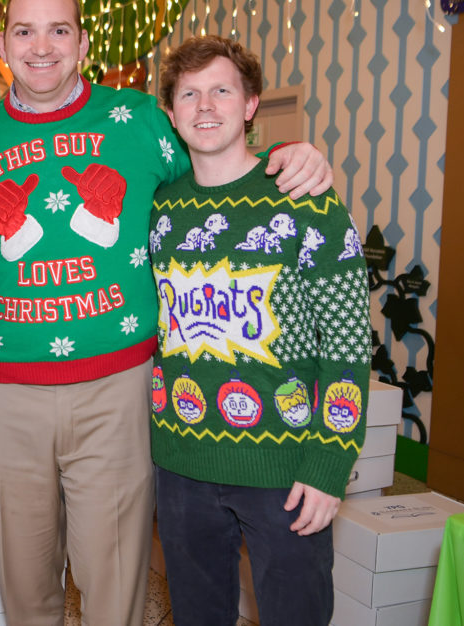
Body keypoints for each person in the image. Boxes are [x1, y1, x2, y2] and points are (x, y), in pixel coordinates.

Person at [0, 0, 336, 625]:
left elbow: (224, 165)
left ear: (83, 42)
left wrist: (290, 156)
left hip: (118, 389)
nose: (43, 46)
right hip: (2, 395)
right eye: (25, 30)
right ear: (3, 46)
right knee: (26, 588)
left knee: (115, 585)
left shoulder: (143, 121)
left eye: (59, 29)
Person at [149, 35, 370, 625]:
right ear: (170, 113)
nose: (205, 107)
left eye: (222, 90)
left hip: (285, 470)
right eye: (188, 94)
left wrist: (328, 468)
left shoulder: (307, 200)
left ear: (250, 105)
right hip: (181, 465)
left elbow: (347, 347)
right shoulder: (161, 209)